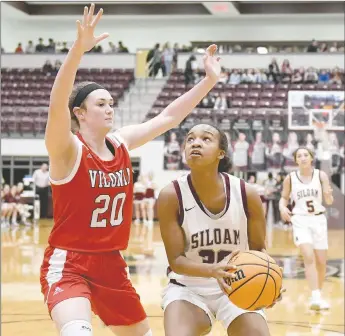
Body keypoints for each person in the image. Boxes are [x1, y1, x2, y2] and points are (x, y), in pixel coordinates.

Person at [39, 4, 221, 336]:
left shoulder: (121, 143)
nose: (110, 109)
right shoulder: (66, 149)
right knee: (77, 330)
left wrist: (208, 82)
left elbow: (168, 118)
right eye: (101, 104)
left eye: (111, 103)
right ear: (79, 113)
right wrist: (78, 49)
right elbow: (56, 102)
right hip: (70, 262)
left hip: (111, 263)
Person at [157, 124, 283, 336]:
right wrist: (213, 271)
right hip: (188, 288)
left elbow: (258, 251)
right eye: (190, 139)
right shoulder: (171, 195)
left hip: (238, 283)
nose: (195, 143)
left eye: (206, 139)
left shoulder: (246, 194)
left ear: (221, 153)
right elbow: (176, 261)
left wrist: (270, 281)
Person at [279, 147, 333, 310]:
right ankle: (315, 297)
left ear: (311, 158)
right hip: (300, 220)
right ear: (296, 160)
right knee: (308, 257)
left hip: (319, 221)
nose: (302, 158)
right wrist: (282, 208)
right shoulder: (290, 178)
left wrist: (329, 194)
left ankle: (317, 294)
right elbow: (284, 197)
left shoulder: (320, 175)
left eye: (305, 155)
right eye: (299, 156)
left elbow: (329, 201)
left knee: (321, 262)